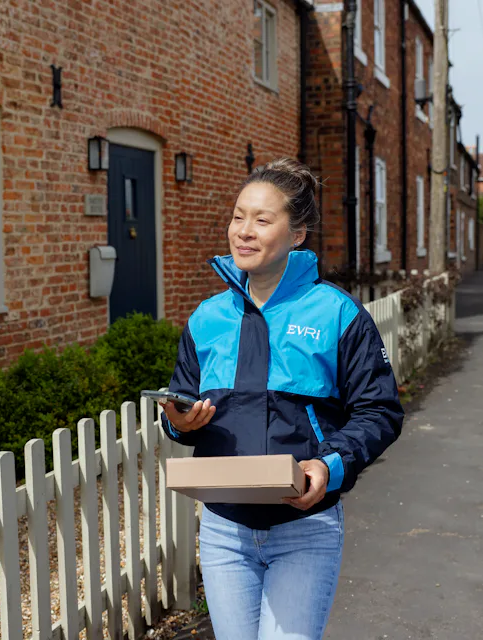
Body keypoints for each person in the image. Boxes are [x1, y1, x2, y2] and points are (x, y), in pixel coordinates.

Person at [159, 158, 403, 640]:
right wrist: (178, 423)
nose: (243, 231)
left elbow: (381, 410)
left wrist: (330, 464)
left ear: (297, 234)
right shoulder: (206, 318)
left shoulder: (338, 313)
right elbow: (180, 404)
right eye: (237, 216)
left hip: (304, 528)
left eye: (262, 220)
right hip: (223, 528)